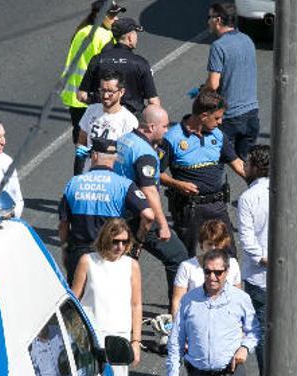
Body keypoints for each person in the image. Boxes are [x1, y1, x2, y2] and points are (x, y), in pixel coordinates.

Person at [237, 144, 297, 376]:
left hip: (259, 278)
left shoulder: (249, 198)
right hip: (289, 276)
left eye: (247, 163)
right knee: (292, 328)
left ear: (257, 166)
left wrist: (263, 258)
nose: (244, 168)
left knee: (261, 333)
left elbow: (247, 238)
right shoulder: (293, 192)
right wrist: (292, 258)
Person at [114, 105, 188, 298]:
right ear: (151, 127)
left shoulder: (124, 140)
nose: (167, 130)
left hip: (118, 212)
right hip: (139, 215)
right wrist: (163, 225)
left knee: (121, 263)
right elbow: (149, 192)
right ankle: (176, 309)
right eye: (164, 126)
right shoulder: (145, 153)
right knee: (177, 256)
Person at [160, 90, 245, 256]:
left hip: (217, 207)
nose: (220, 122)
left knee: (228, 255)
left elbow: (237, 163)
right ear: (204, 115)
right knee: (190, 257)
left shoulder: (218, 135)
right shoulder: (172, 138)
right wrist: (176, 184)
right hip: (189, 209)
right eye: (217, 118)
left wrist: (261, 183)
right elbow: (155, 173)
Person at [59, 137, 154, 284]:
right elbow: (148, 216)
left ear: (94, 156)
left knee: (78, 299)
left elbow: (64, 223)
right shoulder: (124, 185)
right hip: (110, 253)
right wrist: (137, 242)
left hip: (79, 252)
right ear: (115, 158)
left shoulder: (74, 182)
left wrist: (65, 248)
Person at [72, 218, 142, 376]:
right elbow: (74, 300)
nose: (120, 246)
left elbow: (136, 305)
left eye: (124, 242)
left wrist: (136, 341)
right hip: (90, 336)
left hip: (119, 335)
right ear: (105, 239)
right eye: (115, 241)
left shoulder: (131, 265)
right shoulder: (87, 261)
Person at [200, 2, 259, 160]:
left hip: (230, 117)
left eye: (209, 17)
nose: (207, 22)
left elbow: (213, 84)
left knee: (214, 160)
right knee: (248, 165)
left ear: (218, 20)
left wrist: (202, 92)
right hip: (252, 114)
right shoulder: (247, 40)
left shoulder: (219, 46)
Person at [60, 0, 124, 144]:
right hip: (91, 98)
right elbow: (108, 71)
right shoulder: (104, 36)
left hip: (74, 98)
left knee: (80, 143)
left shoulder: (82, 31)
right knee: (98, 143)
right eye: (112, 15)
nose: (116, 18)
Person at [78, 17, 160, 115]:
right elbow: (153, 101)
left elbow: (81, 95)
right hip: (132, 119)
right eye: (135, 34)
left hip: (102, 117)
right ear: (130, 37)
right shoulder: (140, 63)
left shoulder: (97, 60)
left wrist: (96, 102)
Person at [170, 219, 242, 318]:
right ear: (201, 244)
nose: (213, 248)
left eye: (217, 244)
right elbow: (178, 301)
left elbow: (237, 297)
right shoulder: (187, 267)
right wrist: (178, 328)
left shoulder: (233, 265)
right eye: (209, 244)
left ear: (225, 243)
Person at [74, 70, 138, 175]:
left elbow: (128, 155)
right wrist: (81, 149)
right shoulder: (92, 110)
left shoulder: (129, 121)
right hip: (88, 173)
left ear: (121, 92)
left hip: (112, 176)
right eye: (102, 90)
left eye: (110, 92)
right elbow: (82, 138)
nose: (105, 95)